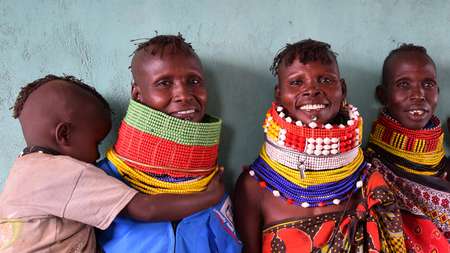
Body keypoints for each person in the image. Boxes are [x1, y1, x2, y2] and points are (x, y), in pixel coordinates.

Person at [0, 75, 225, 252]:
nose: (96, 155)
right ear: (65, 135)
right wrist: (209, 197)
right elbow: (145, 208)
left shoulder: (23, 171)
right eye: (96, 142)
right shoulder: (66, 173)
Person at [233, 39, 407, 252]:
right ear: (278, 94)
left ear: (342, 89)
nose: (312, 90)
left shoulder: (368, 182)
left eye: (325, 80)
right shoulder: (254, 187)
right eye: (297, 82)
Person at [96, 35, 241, 253]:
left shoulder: (214, 184)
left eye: (194, 81)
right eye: (164, 83)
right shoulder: (102, 180)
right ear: (137, 94)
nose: (184, 94)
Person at [366, 44, 450, 249]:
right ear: (382, 95)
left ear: (438, 92)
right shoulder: (368, 172)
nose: (419, 94)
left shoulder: (445, 169)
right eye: (404, 84)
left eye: (428, 84)